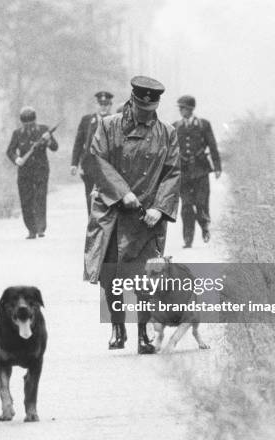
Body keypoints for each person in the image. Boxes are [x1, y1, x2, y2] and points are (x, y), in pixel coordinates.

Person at [83, 76, 180, 354]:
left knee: (145, 278)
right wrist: (121, 191)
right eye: (140, 108)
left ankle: (144, 334)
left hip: (145, 216)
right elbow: (96, 160)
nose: (144, 115)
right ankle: (117, 326)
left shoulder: (167, 133)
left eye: (150, 110)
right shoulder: (108, 125)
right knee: (111, 275)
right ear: (132, 101)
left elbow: (172, 173)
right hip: (112, 211)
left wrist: (159, 208)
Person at [173, 95, 221, 248]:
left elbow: (212, 146)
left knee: (201, 203)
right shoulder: (175, 126)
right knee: (186, 206)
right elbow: (170, 151)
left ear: (191, 109)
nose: (181, 111)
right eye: (180, 108)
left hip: (201, 169)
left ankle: (205, 226)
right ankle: (188, 239)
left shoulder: (203, 125)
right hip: (184, 172)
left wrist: (217, 166)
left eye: (183, 108)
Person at [6, 106, 58, 239]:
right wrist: (17, 159)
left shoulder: (43, 130)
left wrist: (48, 140)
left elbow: (55, 147)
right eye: (26, 124)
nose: (29, 126)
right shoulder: (17, 133)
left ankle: (40, 228)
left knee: (40, 198)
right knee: (26, 200)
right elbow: (10, 151)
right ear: (22, 123)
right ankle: (31, 229)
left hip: (40, 170)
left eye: (31, 123)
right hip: (25, 172)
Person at [71, 91, 114, 213]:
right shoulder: (87, 120)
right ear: (96, 105)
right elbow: (79, 143)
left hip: (107, 168)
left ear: (110, 105)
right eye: (101, 104)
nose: (103, 107)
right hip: (89, 166)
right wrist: (74, 164)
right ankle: (92, 227)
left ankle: (105, 229)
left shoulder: (114, 120)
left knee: (106, 199)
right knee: (90, 197)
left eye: (106, 104)